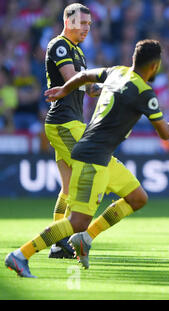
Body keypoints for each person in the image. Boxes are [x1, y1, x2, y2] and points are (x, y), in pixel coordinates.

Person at [5, 39, 169, 278]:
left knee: (137, 198)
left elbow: (84, 76)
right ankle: (21, 255)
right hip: (92, 158)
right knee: (76, 221)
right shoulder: (145, 93)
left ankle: (85, 239)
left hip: (102, 155)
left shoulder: (116, 72)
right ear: (155, 66)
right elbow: (166, 133)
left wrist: (64, 90)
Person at [43, 3, 98, 259]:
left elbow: (85, 86)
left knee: (67, 188)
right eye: (82, 23)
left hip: (71, 120)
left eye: (89, 24)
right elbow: (70, 79)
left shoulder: (78, 51)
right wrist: (90, 79)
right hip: (63, 121)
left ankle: (57, 244)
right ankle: (65, 237)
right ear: (68, 21)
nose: (86, 28)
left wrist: (107, 86)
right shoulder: (60, 45)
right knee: (88, 173)